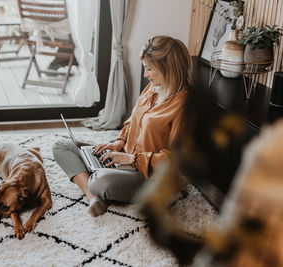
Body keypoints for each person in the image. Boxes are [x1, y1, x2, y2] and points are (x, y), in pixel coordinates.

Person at [52, 35, 192, 217]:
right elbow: (132, 121)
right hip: (124, 157)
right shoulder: (154, 87)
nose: (145, 75)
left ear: (168, 68)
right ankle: (93, 197)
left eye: (149, 69)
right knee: (61, 147)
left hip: (148, 176)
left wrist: (131, 159)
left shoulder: (184, 105)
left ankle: (92, 189)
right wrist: (119, 142)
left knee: (100, 182)